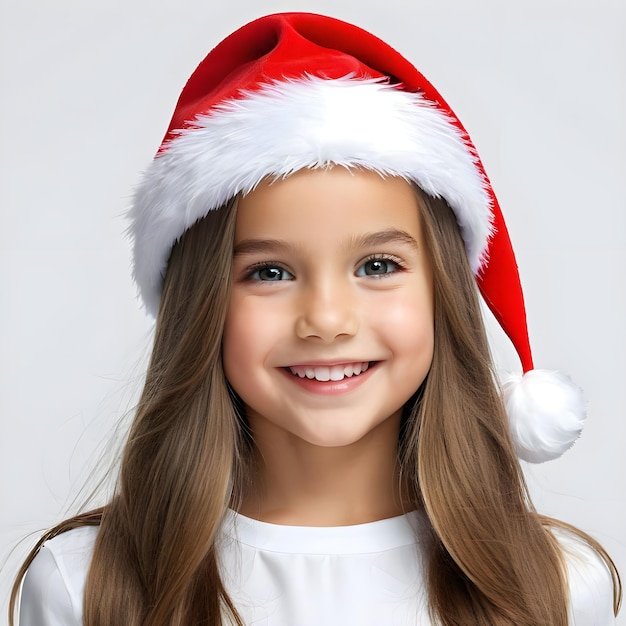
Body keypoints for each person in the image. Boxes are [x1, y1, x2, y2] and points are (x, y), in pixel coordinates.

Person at [10, 12, 621, 626]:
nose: (327, 320)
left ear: (443, 292)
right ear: (203, 308)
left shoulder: (560, 585)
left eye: (378, 265)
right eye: (270, 272)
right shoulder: (84, 586)